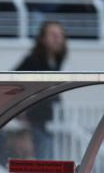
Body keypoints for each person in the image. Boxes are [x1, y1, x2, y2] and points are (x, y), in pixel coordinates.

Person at [16, 22, 67, 160]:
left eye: (60, 35)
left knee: (52, 158)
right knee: (43, 162)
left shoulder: (56, 60)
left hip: (51, 118)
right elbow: (14, 81)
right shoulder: (32, 61)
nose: (57, 38)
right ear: (43, 39)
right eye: (53, 35)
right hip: (36, 118)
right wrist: (20, 110)